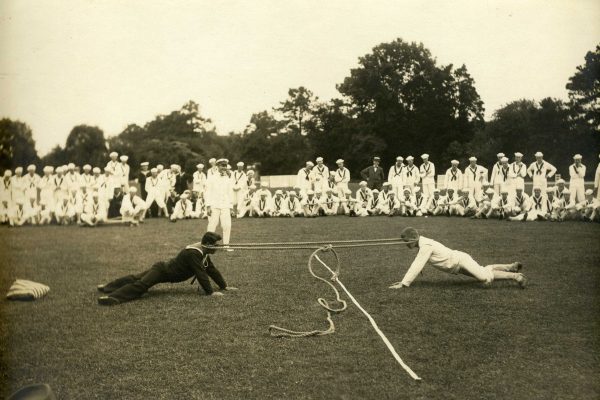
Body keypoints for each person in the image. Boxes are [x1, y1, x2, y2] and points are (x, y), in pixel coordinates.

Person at [97, 232, 238, 305]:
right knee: (141, 284)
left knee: (136, 278)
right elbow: (201, 273)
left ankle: (108, 287)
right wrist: (210, 293)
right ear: (207, 244)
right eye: (215, 245)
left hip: (163, 271)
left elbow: (211, 270)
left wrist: (224, 286)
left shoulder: (203, 252)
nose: (217, 248)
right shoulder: (193, 253)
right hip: (162, 271)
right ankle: (112, 297)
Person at [389, 227, 527, 289]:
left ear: (414, 238)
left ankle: (516, 276)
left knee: (485, 279)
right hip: (457, 266)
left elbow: (417, 264)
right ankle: (510, 267)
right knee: (484, 271)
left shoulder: (425, 245)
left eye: (406, 241)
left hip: (460, 260)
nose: (405, 244)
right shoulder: (422, 243)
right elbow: (419, 262)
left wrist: (404, 283)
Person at [205, 158, 234, 247]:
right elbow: (207, 192)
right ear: (217, 166)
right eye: (222, 166)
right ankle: (208, 244)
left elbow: (230, 193)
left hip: (225, 205)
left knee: (227, 225)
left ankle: (226, 245)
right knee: (212, 225)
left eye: (225, 166)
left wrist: (231, 207)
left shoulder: (228, 178)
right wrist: (208, 206)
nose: (224, 168)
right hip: (214, 205)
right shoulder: (211, 178)